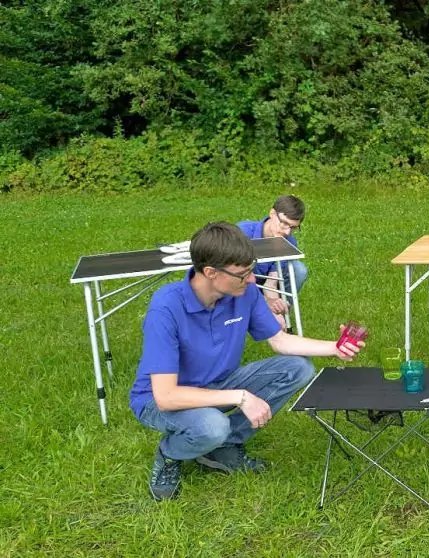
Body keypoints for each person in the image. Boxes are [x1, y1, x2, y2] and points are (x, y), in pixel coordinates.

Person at [130, 222, 364, 501]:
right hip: (159, 399)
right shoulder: (167, 307)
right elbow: (166, 397)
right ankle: (170, 454)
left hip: (217, 384)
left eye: (252, 270)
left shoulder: (245, 293)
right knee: (212, 425)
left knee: (298, 368)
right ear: (210, 273)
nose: (252, 280)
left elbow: (280, 341)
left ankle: (226, 446)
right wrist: (241, 397)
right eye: (243, 274)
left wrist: (334, 348)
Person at [237, 195, 308, 326]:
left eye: (293, 227)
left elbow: (271, 283)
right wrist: (265, 302)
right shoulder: (242, 232)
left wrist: (275, 309)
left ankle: (279, 313)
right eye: (284, 223)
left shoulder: (288, 241)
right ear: (272, 214)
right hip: (238, 283)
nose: (287, 231)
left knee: (299, 270)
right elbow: (233, 278)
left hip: (261, 284)